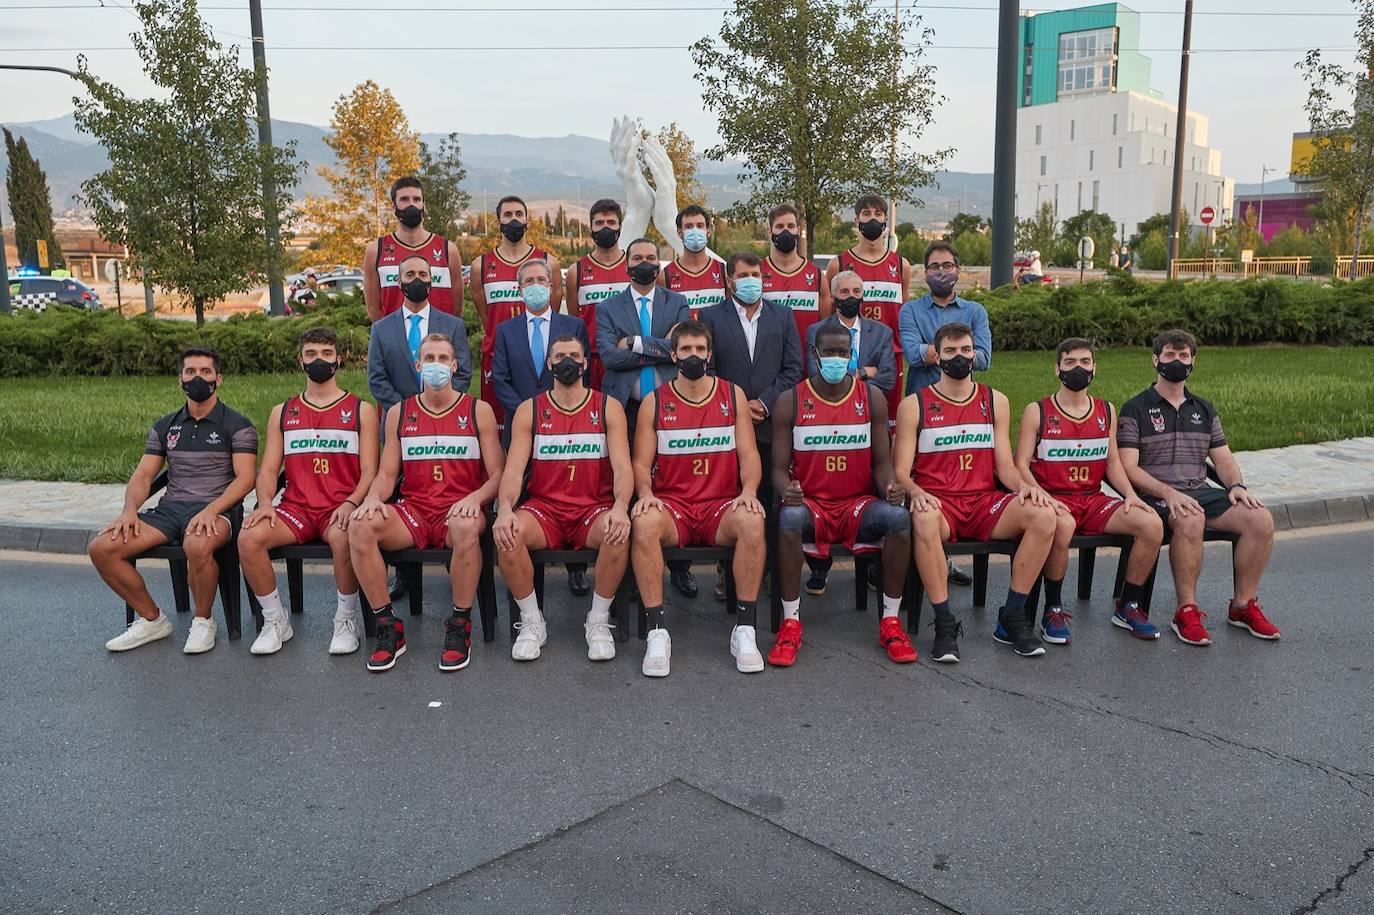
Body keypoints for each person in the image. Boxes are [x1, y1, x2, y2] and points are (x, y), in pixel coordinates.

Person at [892, 322, 1059, 662]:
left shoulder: (995, 400)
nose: (960, 357)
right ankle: (944, 621)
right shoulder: (914, 404)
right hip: (941, 504)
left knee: (1044, 515)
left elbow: (1006, 468)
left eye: (966, 350)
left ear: (975, 354)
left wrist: (1030, 489)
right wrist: (914, 491)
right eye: (951, 351)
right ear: (937, 356)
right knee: (922, 520)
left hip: (984, 502)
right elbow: (900, 471)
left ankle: (1013, 616)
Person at [348, 333, 505, 673]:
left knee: (465, 527)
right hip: (415, 510)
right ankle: (388, 626)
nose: (436, 365)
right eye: (429, 359)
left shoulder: (478, 410)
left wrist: (475, 499)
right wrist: (372, 499)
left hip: (460, 508)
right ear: (419, 366)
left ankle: (459, 625)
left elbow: (498, 476)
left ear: (454, 365)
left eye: (443, 359)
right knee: (360, 527)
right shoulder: (399, 413)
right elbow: (388, 475)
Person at [1117, 329, 1280, 645]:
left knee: (1260, 518)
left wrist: (1236, 485)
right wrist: (1168, 492)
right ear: (1155, 360)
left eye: (1183, 356)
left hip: (1199, 489)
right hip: (1155, 495)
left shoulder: (1203, 408)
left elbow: (1223, 458)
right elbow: (1128, 467)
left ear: (1192, 362)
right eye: (1169, 355)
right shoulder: (1135, 407)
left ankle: (1242, 606)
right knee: (1191, 518)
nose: (1176, 361)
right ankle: (1186, 611)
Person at [768, 320, 916, 667]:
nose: (837, 358)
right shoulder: (791, 401)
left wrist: (890, 487)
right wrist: (785, 490)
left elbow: (881, 464)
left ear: (852, 356)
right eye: (830, 352)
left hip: (857, 504)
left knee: (897, 516)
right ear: (815, 355)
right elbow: (777, 469)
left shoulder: (872, 397)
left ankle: (890, 622)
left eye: (843, 352)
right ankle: (790, 623)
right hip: (812, 503)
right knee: (788, 517)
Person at [93, 347, 258, 654]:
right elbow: (144, 475)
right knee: (102, 548)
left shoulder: (237, 424)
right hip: (170, 511)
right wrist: (130, 510)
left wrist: (212, 509)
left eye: (206, 372)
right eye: (190, 372)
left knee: (196, 544)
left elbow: (246, 478)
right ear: (180, 379)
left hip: (217, 510)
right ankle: (152, 619)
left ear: (218, 379)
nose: (198, 378)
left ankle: (203, 621)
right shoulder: (165, 426)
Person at [630, 321, 767, 677]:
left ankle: (745, 630)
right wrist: (645, 493)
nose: (694, 356)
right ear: (673, 355)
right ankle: (658, 632)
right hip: (673, 507)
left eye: (701, 350)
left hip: (719, 506)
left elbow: (750, 455)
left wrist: (749, 491)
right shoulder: (654, 401)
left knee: (753, 519)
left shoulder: (731, 395)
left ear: (710, 355)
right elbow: (641, 464)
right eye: (686, 350)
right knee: (643, 522)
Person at [239, 328, 380, 655]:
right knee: (248, 538)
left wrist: (351, 502)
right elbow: (270, 469)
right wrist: (264, 503)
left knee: (344, 536)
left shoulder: (361, 410)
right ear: (300, 360)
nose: (319, 360)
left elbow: (371, 471)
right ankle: (275, 620)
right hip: (297, 509)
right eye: (312, 354)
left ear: (338, 360)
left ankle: (346, 619)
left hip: (339, 507)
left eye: (327, 354)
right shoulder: (283, 412)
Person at [1013, 338, 1163, 644]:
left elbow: (1112, 463)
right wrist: (1040, 495)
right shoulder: (1037, 410)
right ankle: (1052, 608)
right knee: (1063, 525)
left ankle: (1128, 604)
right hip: (1054, 498)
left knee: (1152, 524)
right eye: (1070, 363)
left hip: (1092, 500)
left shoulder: (1105, 409)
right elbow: (1020, 464)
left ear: (1095, 367)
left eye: (1084, 362)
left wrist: (1130, 495)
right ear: (1057, 369)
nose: (1078, 368)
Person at [494, 334, 633, 662]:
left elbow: (623, 469)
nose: (567, 361)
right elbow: (513, 471)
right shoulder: (531, 409)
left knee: (618, 530)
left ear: (585, 363)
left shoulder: (607, 406)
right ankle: (532, 621)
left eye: (574, 355)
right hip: (546, 510)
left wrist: (621, 507)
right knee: (507, 533)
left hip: (592, 509)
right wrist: (504, 509)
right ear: (549, 364)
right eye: (560, 356)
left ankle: (597, 620)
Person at [699, 251, 804, 600]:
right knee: (732, 500)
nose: (751, 280)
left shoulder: (783, 317)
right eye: (742, 274)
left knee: (771, 500)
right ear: (729, 280)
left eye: (756, 274)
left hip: (772, 424)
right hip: (729, 425)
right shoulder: (711, 317)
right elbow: (707, 369)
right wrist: (738, 405)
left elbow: (793, 369)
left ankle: (771, 569)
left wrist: (765, 402)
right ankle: (726, 574)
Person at [596, 237, 696, 599]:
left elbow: (680, 350)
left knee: (673, 480)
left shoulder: (678, 302)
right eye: (638, 258)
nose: (644, 263)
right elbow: (608, 355)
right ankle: (631, 571)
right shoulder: (608, 307)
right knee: (627, 482)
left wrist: (635, 343)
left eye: (651, 258)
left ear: (660, 264)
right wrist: (660, 348)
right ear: (626, 263)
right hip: (626, 407)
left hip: (670, 407)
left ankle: (680, 567)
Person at [898, 240, 991, 588]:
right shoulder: (911, 311)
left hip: (966, 410)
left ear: (958, 270)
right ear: (925, 273)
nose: (941, 272)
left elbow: (984, 358)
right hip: (923, 409)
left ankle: (943, 561)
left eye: (948, 266)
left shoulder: (975, 311)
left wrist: (938, 351)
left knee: (958, 482)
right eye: (935, 267)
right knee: (924, 481)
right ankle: (920, 562)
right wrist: (957, 353)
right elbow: (911, 352)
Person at [799, 269, 897, 596]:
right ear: (834, 295)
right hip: (824, 420)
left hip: (866, 419)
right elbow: (816, 375)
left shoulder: (881, 332)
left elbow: (887, 379)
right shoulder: (817, 331)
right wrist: (863, 372)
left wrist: (849, 375)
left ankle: (869, 565)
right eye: (845, 291)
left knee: (865, 484)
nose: (851, 296)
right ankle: (819, 567)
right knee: (825, 489)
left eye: (857, 290)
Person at [470, 195, 561, 431]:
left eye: (519, 214)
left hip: (538, 354)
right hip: (496, 355)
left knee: (546, 421)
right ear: (498, 221)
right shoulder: (481, 265)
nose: (514, 220)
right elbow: (485, 315)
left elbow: (555, 306)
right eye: (508, 215)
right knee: (498, 427)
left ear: (528, 219)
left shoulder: (548, 262)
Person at [826, 194, 908, 432]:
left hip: (890, 354)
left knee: (889, 424)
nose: (872, 219)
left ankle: (889, 468)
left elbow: (903, 312)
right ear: (856, 220)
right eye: (866, 214)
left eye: (878, 214)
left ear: (885, 220)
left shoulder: (900, 265)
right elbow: (828, 315)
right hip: (848, 355)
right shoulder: (839, 264)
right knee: (846, 418)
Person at [491, 259, 590, 448]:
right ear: (520, 290)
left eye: (541, 280)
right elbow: (500, 379)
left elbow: (583, 374)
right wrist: (527, 413)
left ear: (551, 286)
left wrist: (560, 410)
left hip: (564, 424)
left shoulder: (574, 327)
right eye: (529, 281)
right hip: (520, 426)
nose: (535, 285)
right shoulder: (505, 331)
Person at [367, 255, 472, 422]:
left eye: (423, 275)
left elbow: (463, 373)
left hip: (445, 418)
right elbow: (376, 379)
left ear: (431, 280)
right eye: (410, 274)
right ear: (399, 282)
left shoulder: (453, 326)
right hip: (399, 421)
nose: (417, 279)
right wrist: (406, 411)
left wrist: (439, 406)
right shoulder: (381, 329)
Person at [363, 176, 463, 322]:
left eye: (416, 199)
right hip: (395, 342)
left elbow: (457, 310)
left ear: (424, 205)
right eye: (404, 199)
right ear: (393, 206)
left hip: (439, 341)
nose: (411, 205)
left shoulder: (448, 250)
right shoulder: (376, 251)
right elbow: (373, 311)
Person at [565, 199, 629, 393]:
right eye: (599, 223)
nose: (605, 228)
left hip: (629, 357)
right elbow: (575, 317)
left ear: (620, 227)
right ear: (590, 227)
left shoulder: (633, 267)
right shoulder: (576, 271)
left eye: (611, 222)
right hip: (592, 359)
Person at [761, 203, 830, 342]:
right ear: (770, 232)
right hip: (770, 361)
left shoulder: (817, 276)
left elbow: (825, 328)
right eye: (780, 227)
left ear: (798, 231)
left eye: (791, 226)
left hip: (806, 360)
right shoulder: (758, 272)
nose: (786, 231)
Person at [660, 204, 726, 318]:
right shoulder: (664, 276)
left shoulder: (723, 271)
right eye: (689, 226)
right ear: (680, 233)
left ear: (708, 232)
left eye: (700, 226)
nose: (695, 231)